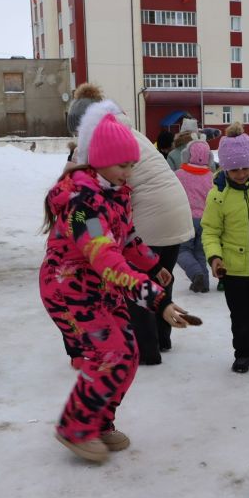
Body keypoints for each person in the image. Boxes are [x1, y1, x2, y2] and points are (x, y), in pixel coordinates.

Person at [39, 111, 194, 463]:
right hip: (69, 289)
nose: (129, 173)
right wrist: (157, 301)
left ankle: (100, 422)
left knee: (130, 352)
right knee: (109, 355)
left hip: (101, 288)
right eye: (122, 165)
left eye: (132, 165)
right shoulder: (83, 205)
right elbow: (105, 256)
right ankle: (75, 427)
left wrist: (154, 265)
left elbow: (125, 238)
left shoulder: (117, 193)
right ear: (101, 162)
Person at [69, 87, 194, 365]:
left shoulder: (97, 145)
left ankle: (147, 352)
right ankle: (163, 339)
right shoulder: (131, 132)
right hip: (176, 212)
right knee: (161, 275)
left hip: (149, 219)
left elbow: (92, 193)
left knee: (134, 286)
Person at [201, 122, 249, 373]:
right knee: (241, 316)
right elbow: (211, 231)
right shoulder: (218, 196)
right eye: (234, 169)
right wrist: (215, 258)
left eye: (246, 167)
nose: (241, 173)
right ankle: (244, 352)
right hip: (234, 269)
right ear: (224, 167)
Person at [175, 140, 214, 293]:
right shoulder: (211, 176)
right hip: (205, 220)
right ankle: (203, 283)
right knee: (200, 252)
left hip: (185, 219)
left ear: (186, 155)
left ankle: (196, 274)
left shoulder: (178, 175)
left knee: (182, 251)